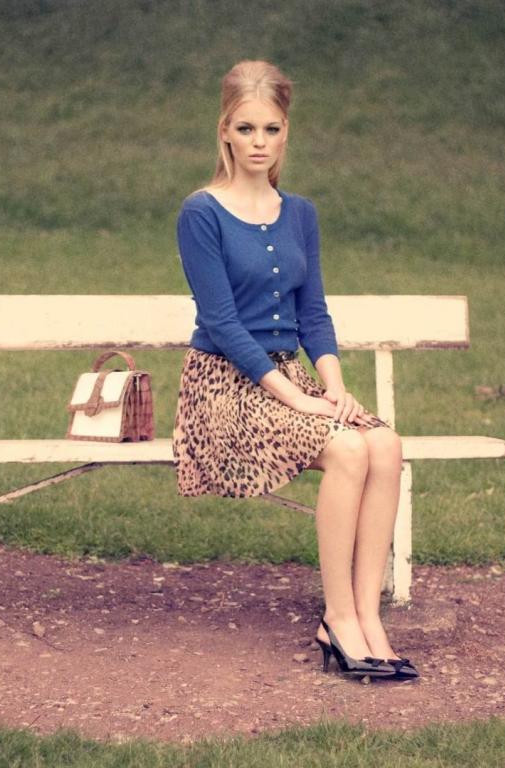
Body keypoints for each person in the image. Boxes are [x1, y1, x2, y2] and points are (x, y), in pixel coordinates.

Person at [171, 60, 417, 681]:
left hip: (292, 383)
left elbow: (314, 314)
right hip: (226, 388)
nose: (259, 142)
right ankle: (338, 617)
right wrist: (296, 398)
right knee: (348, 450)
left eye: (271, 129)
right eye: (246, 128)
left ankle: (369, 617)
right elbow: (222, 323)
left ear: (286, 133)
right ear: (224, 131)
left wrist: (332, 387)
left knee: (385, 444)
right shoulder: (201, 213)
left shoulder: (300, 213)